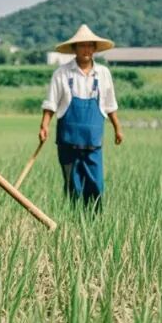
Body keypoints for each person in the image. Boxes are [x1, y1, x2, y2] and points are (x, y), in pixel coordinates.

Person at [39, 25, 124, 209]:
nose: (86, 50)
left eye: (89, 46)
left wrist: (118, 128)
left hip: (93, 142)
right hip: (68, 143)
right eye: (82, 46)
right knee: (73, 188)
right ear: (74, 49)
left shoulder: (103, 74)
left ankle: (94, 225)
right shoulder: (61, 73)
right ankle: (75, 226)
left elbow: (110, 104)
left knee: (96, 187)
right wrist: (44, 126)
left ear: (94, 48)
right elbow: (51, 104)